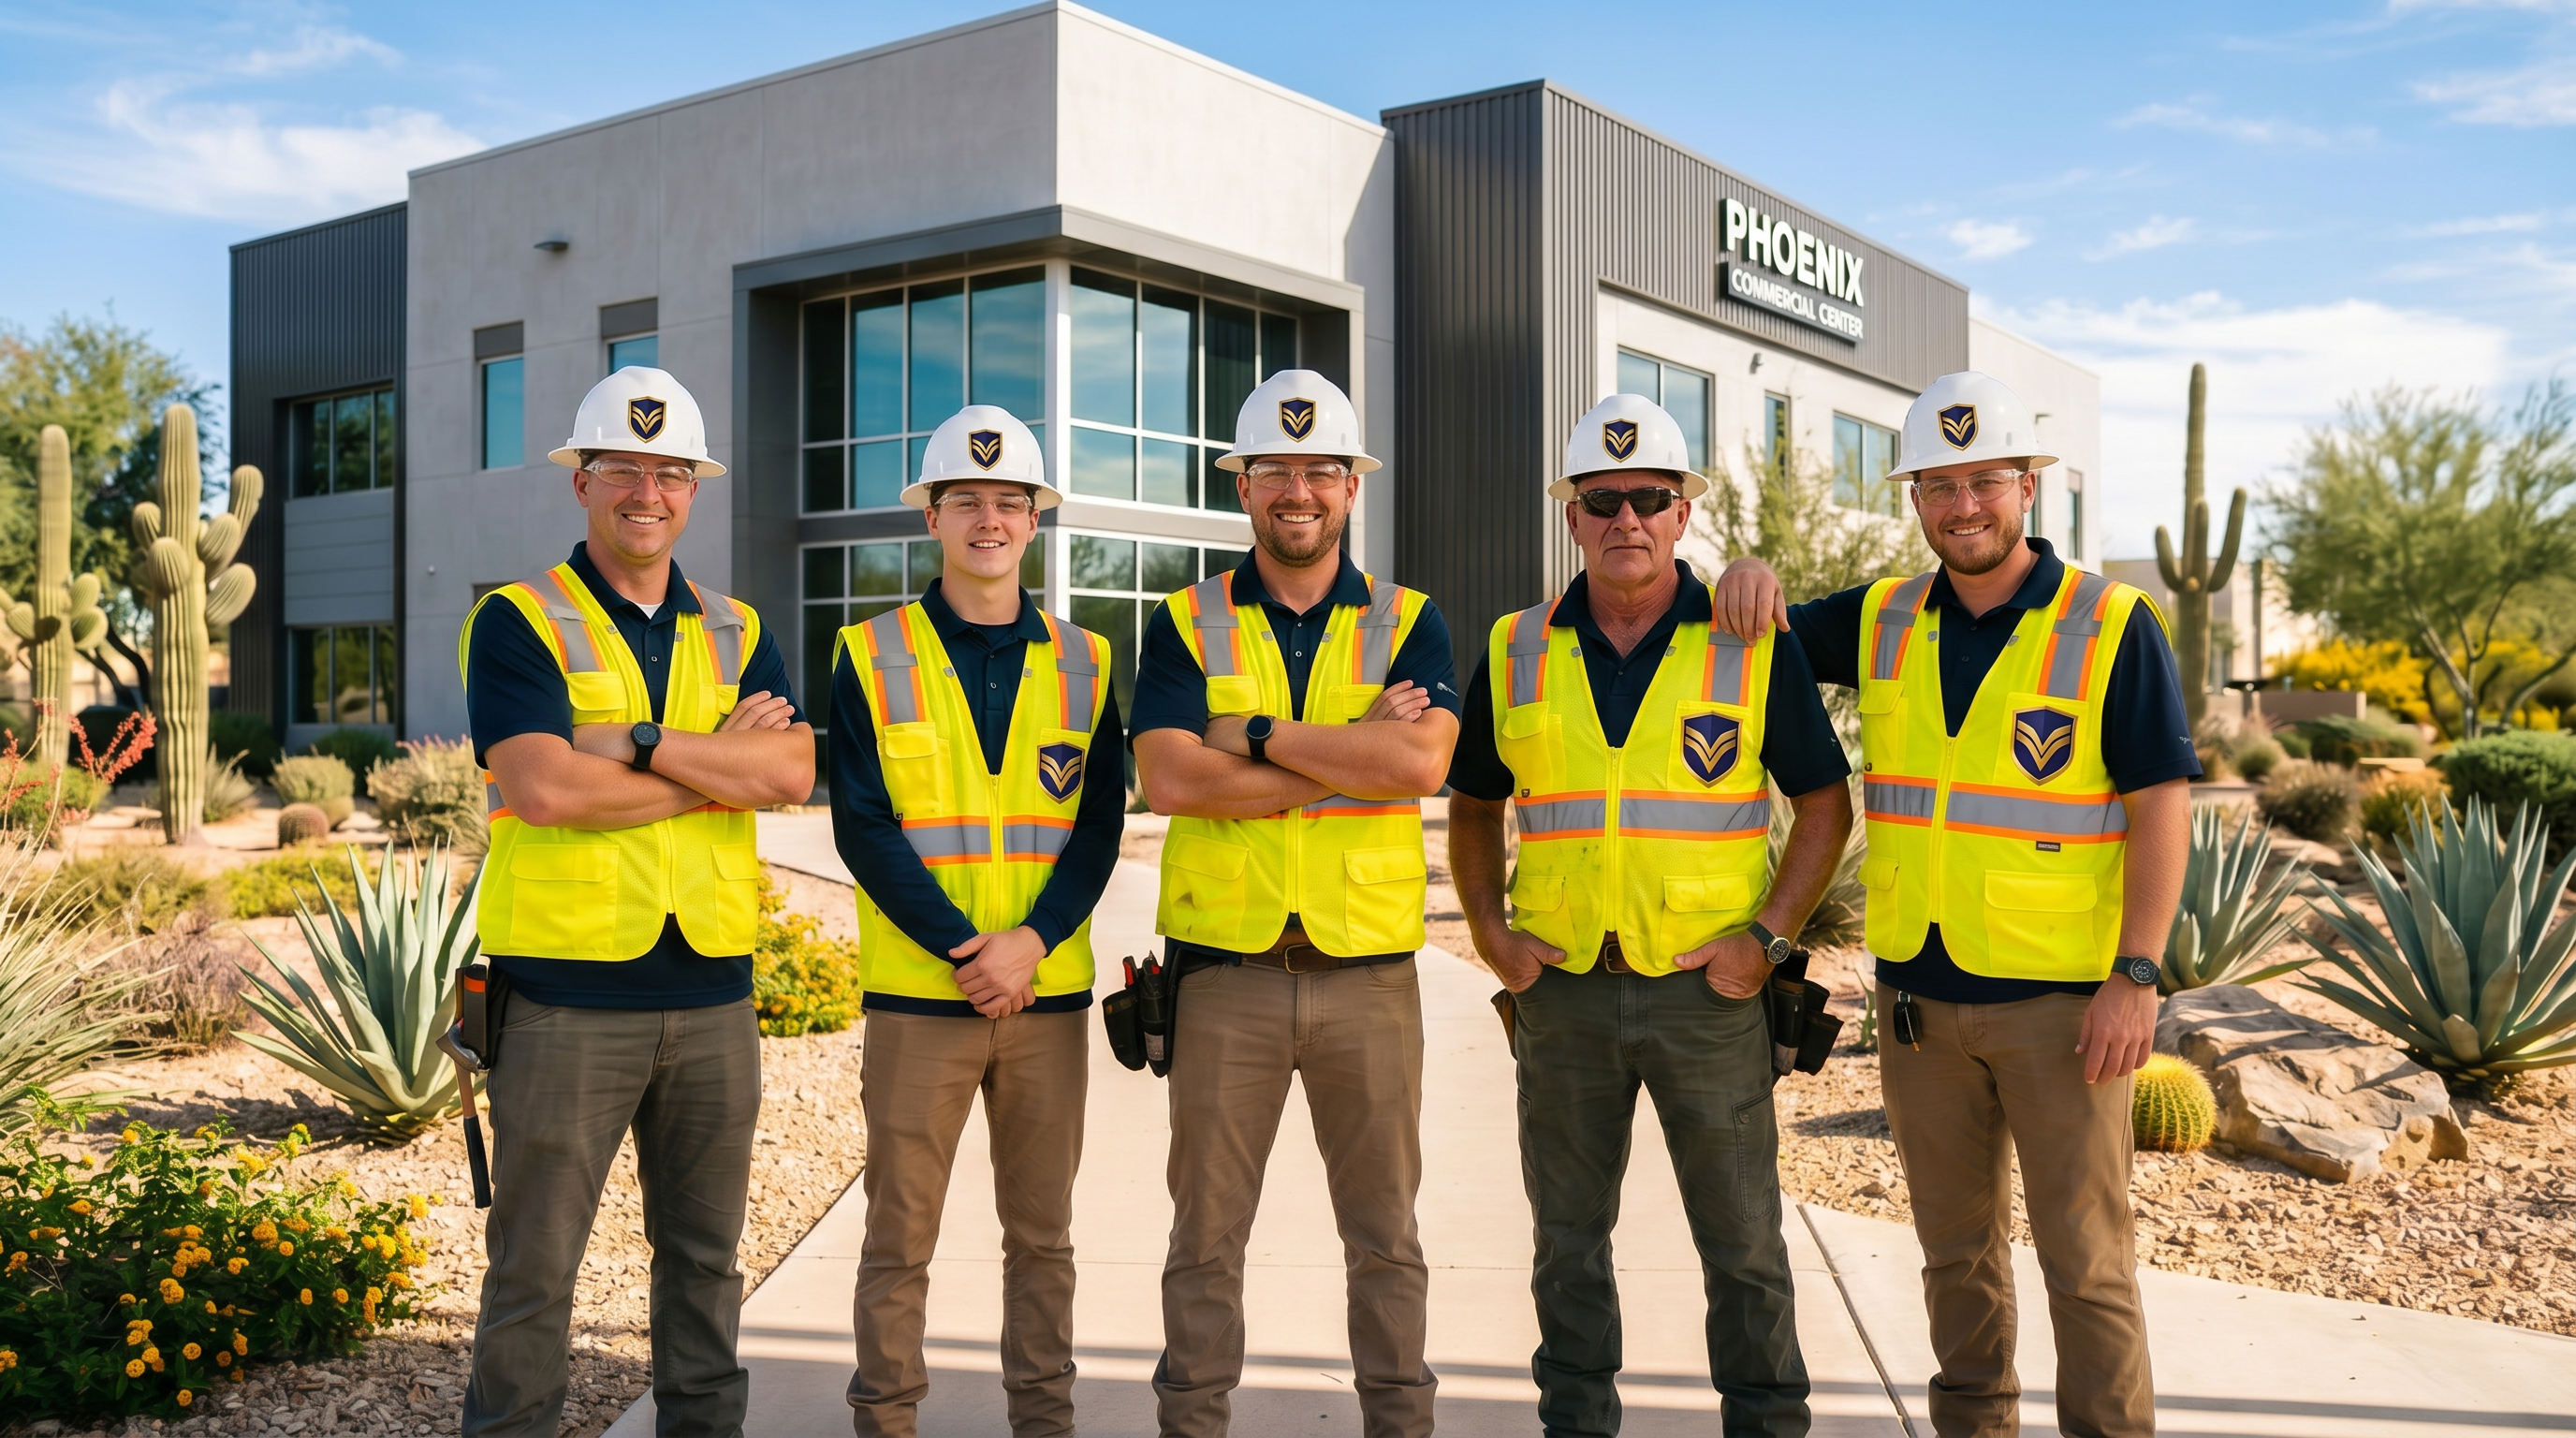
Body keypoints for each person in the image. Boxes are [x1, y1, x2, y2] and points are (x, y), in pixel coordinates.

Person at [1713, 371, 2195, 1438]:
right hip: (1917, 1009)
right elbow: (1756, 625)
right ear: (1914, 499)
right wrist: (1746, 567)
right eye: (1938, 485)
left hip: (2066, 1010)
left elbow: (2163, 803)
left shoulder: (2109, 622)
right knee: (1954, 1258)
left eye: (1984, 481)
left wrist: (2137, 974)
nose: (1962, 506)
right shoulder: (1881, 618)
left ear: (2030, 486)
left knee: (2088, 1265)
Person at [1446, 392, 1850, 1438]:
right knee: (1567, 1245)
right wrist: (1490, 933)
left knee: (1745, 1248)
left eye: (1651, 499)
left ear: (1683, 516)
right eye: (1604, 499)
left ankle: (1767, 1425)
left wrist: (1765, 942)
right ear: (1571, 517)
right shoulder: (1514, 646)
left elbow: (1823, 803)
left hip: (1707, 1003)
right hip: (1563, 997)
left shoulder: (1748, 637)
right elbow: (1475, 805)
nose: (1627, 518)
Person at [460, 365, 814, 1438]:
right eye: (623, 468)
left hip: (713, 996)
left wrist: (645, 742)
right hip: (564, 1000)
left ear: (693, 490)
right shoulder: (519, 621)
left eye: (669, 472)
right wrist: (712, 766)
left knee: (706, 1269)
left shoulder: (739, 628)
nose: (646, 492)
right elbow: (544, 787)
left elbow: (791, 777)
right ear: (582, 483)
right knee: (535, 1278)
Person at [1129, 369, 1459, 1438]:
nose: (1299, 490)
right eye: (1276, 469)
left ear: (1352, 488)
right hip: (1224, 973)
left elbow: (1417, 765)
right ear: (1243, 487)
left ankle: (1399, 1425)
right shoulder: (1185, 620)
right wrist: (1347, 750)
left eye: (1322, 469)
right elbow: (1172, 781)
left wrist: (1258, 735)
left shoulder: (1411, 621)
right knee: (1205, 1241)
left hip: (1368, 975)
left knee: (1385, 1240)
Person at [831, 406, 1125, 1438]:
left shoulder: (1087, 659)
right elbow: (863, 829)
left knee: (1042, 1238)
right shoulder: (869, 652)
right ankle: (887, 1423)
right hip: (924, 997)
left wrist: (1029, 947)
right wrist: (973, 953)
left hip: (1045, 998)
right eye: (967, 500)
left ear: (1037, 520)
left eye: (1010, 502)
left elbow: (1097, 830)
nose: (989, 520)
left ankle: (1044, 1424)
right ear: (932, 518)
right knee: (898, 1237)